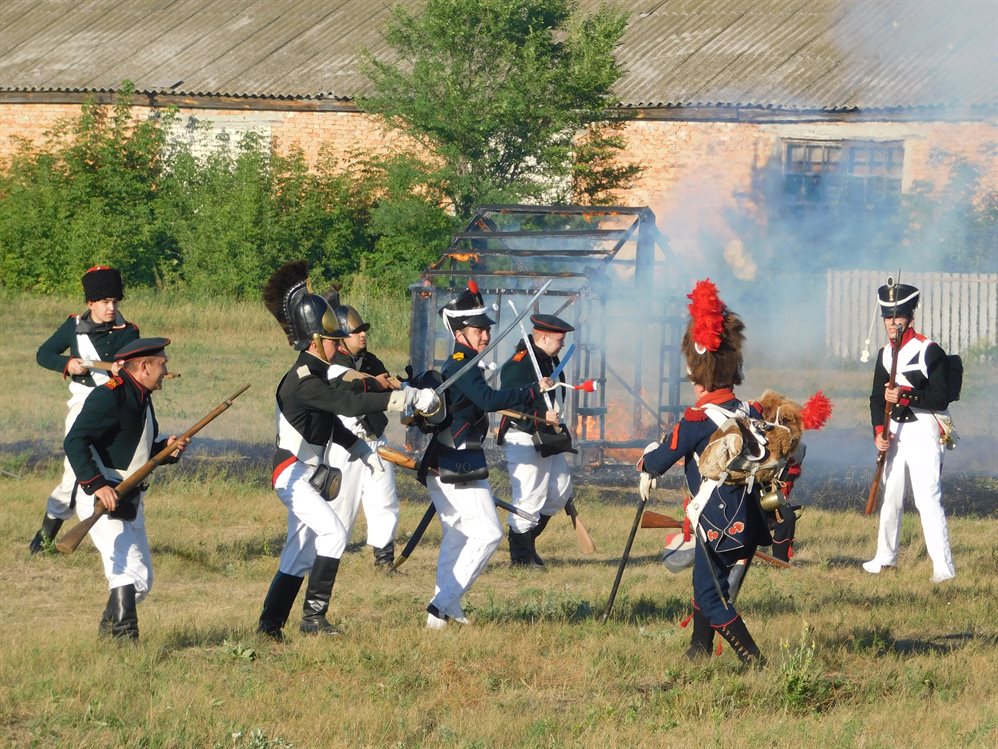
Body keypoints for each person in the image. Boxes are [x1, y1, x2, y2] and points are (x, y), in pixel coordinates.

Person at [258, 261, 440, 639]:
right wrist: (404, 396)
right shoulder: (304, 380)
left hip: (307, 472)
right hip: (292, 472)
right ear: (314, 342)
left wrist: (358, 448)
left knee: (299, 553)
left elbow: (329, 425)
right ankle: (313, 619)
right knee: (335, 533)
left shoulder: (317, 374)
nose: (338, 345)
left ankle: (269, 626)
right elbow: (350, 405)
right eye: (332, 340)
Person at [638, 280, 769, 666]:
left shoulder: (696, 419)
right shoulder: (750, 411)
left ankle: (755, 661)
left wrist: (646, 459)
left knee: (712, 597)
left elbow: (659, 460)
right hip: (745, 521)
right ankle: (698, 651)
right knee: (705, 584)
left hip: (715, 524)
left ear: (702, 372)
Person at [418, 281, 553, 628]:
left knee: (458, 534)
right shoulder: (461, 364)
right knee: (488, 534)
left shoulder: (468, 364)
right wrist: (530, 390)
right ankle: (441, 605)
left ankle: (446, 608)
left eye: (486, 329)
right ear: (460, 331)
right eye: (479, 329)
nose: (485, 335)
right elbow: (490, 402)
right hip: (457, 457)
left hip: (451, 456)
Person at [63, 338, 186, 640]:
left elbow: (134, 453)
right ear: (144, 366)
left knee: (142, 582)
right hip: (103, 498)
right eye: (162, 363)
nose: (166, 369)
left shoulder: (142, 395)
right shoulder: (110, 396)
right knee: (128, 571)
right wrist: (97, 485)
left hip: (129, 497)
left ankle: (107, 636)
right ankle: (124, 642)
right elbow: (75, 440)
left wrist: (163, 450)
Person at [30, 266, 140, 553]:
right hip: (82, 407)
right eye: (104, 302)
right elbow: (44, 354)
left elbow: (137, 371)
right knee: (72, 477)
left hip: (115, 409)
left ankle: (120, 538)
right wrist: (67, 364)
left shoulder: (129, 332)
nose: (111, 308)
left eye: (115, 302)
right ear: (90, 303)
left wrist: (123, 370)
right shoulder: (72, 327)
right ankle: (43, 540)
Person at [863, 282, 955, 583]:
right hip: (895, 432)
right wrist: (880, 432)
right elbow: (877, 398)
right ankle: (885, 558)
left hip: (924, 430)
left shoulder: (929, 350)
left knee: (927, 497)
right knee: (890, 496)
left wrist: (904, 395)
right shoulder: (884, 354)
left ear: (909, 318)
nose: (892, 323)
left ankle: (943, 568)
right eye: (888, 317)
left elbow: (941, 397)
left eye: (897, 316)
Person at [323, 300, 402, 570]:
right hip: (345, 444)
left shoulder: (370, 360)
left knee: (384, 500)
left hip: (375, 439)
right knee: (341, 504)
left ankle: (384, 560)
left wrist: (402, 386)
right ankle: (328, 559)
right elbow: (342, 379)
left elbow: (388, 382)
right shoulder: (332, 364)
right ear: (342, 339)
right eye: (356, 332)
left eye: (363, 331)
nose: (363, 335)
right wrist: (374, 382)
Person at [497, 313, 575, 567]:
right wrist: (541, 416)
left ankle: (528, 543)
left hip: (548, 435)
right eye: (559, 340)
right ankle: (521, 557)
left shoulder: (549, 360)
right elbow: (511, 400)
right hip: (524, 434)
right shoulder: (520, 363)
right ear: (543, 337)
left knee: (560, 490)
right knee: (529, 497)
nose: (562, 344)